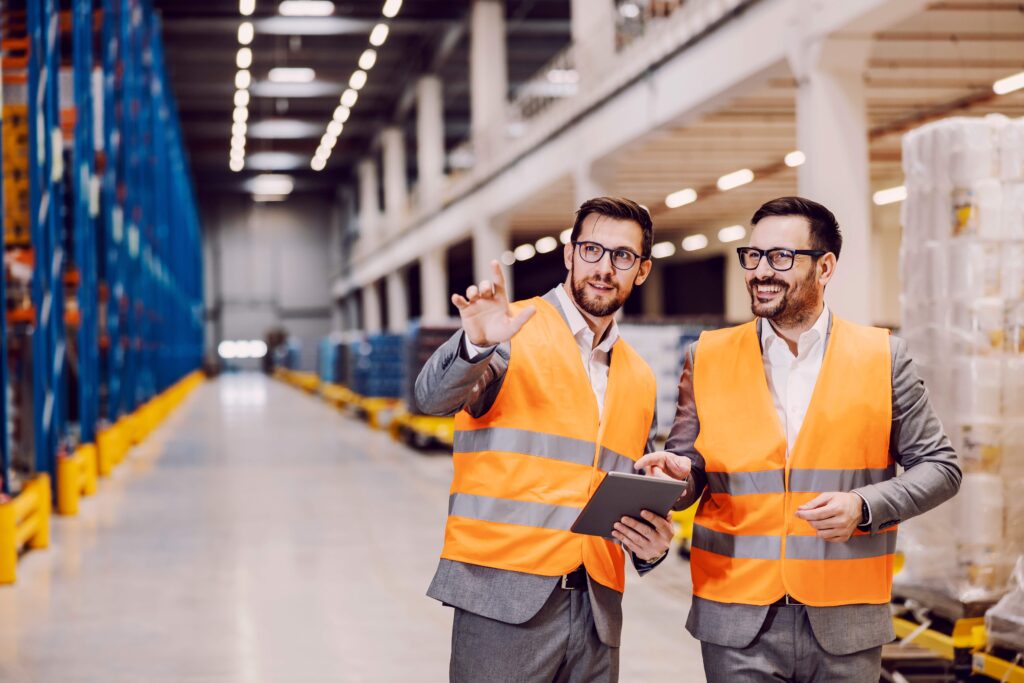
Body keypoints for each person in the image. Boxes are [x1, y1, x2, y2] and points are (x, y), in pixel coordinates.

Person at [637, 196, 962, 682]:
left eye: (781, 257)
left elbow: (941, 466)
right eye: (753, 256)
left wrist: (865, 505)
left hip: (845, 619)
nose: (761, 271)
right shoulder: (707, 356)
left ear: (825, 267)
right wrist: (673, 480)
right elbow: (690, 472)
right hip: (736, 616)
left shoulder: (882, 357)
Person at [415, 197, 674, 682]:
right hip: (501, 599)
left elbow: (624, 492)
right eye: (592, 250)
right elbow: (432, 399)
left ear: (641, 271)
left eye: (622, 256)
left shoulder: (638, 375)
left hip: (597, 610)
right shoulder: (510, 331)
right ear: (569, 255)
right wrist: (476, 343)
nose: (604, 268)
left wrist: (651, 546)